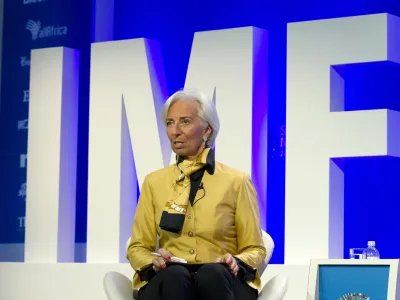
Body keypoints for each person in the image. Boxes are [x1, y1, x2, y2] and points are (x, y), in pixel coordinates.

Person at [127, 88, 266, 300]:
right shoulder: (153, 182)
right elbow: (138, 247)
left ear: (207, 130)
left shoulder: (236, 181)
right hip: (172, 279)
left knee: (212, 274)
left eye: (184, 122)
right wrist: (152, 261)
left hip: (222, 280)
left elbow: (255, 249)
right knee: (174, 276)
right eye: (170, 122)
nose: (174, 131)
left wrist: (235, 261)